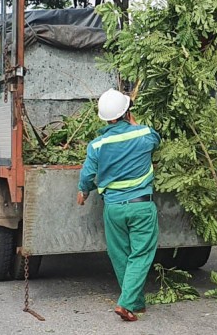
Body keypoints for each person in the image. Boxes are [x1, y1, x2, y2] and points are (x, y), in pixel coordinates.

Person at [77, 88, 161, 322]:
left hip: (113, 208)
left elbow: (87, 175)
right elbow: (157, 141)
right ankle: (126, 303)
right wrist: (135, 125)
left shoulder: (96, 145)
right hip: (141, 207)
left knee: (120, 255)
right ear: (127, 113)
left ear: (105, 118)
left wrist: (83, 191)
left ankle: (136, 303)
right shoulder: (144, 133)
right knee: (141, 254)